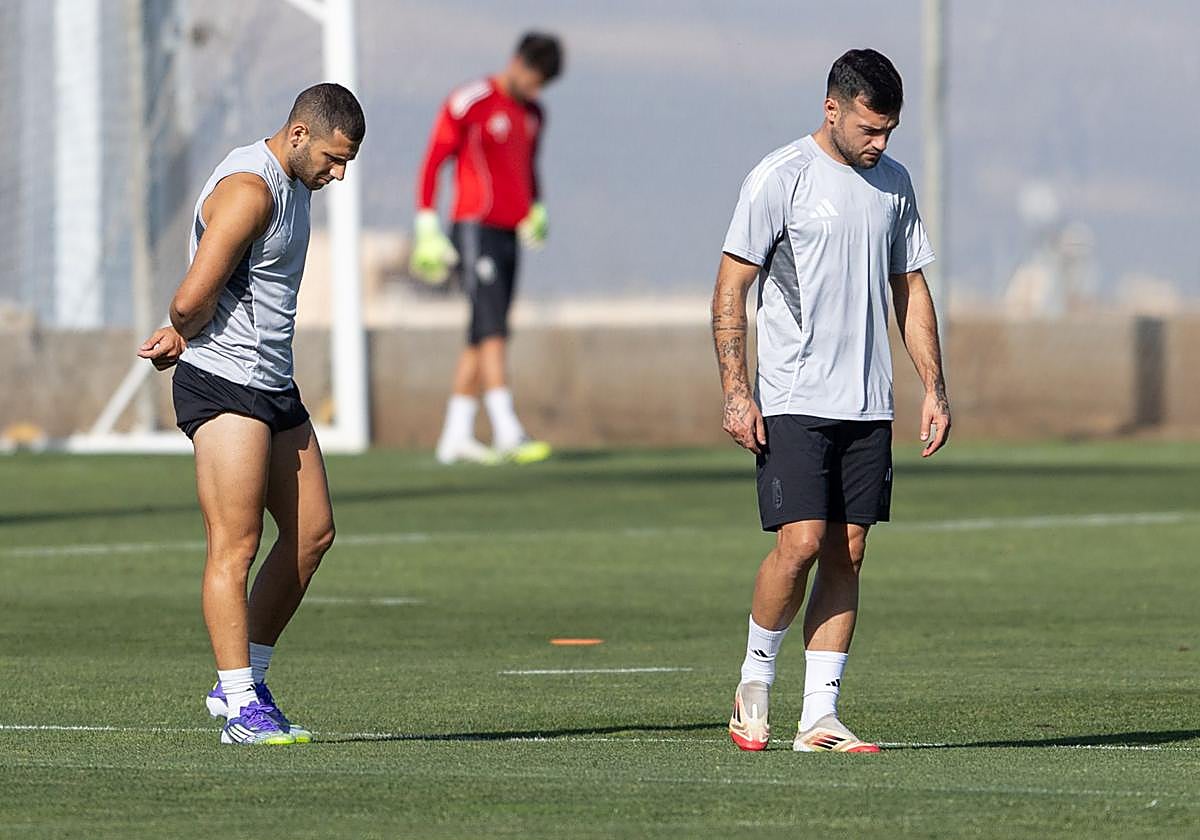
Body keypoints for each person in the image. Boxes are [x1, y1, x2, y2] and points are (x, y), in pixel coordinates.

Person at [712, 49, 951, 753]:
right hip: (793, 396)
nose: (880, 142)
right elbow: (731, 288)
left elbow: (910, 289)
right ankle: (755, 680)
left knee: (848, 550)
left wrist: (934, 387)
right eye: (870, 128)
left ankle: (819, 715)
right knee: (801, 544)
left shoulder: (895, 183)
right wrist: (737, 392)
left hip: (869, 402)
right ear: (832, 109)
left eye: (889, 130)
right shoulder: (781, 176)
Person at [136, 83, 365, 745]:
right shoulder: (251, 190)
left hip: (272, 385)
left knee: (312, 534)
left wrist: (185, 328)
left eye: (347, 162)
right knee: (234, 546)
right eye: (333, 158)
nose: (339, 174)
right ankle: (240, 706)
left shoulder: (298, 181)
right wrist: (183, 331)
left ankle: (245, 681)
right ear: (298, 135)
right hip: (223, 384)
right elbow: (188, 299)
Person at [410, 32, 563, 465]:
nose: (534, 90)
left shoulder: (534, 113)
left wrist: (536, 208)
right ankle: (507, 429)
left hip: (510, 232)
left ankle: (455, 433)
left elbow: (527, 167)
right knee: (493, 329)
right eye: (533, 79)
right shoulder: (470, 101)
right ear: (518, 62)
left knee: (483, 330)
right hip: (475, 227)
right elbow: (434, 160)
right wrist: (426, 221)